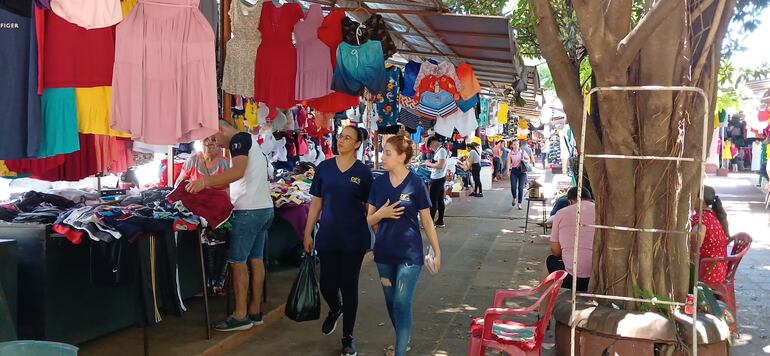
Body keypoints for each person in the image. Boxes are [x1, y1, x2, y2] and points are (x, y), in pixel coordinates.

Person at [186, 120, 274, 331]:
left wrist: (204, 182)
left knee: (237, 262)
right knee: (256, 259)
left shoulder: (239, 140)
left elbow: (238, 173)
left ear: (221, 129)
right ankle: (254, 311)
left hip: (248, 211)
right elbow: (238, 178)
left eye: (215, 137)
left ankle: (241, 315)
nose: (216, 143)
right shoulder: (251, 142)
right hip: (264, 209)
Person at [367, 135, 442, 356]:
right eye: (383, 152)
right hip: (383, 254)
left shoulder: (416, 183)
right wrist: (382, 214)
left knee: (401, 300)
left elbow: (427, 221)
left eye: (387, 153)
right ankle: (403, 338)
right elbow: (369, 220)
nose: (382, 157)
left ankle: (400, 351)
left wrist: (437, 251)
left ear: (402, 157)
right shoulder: (378, 183)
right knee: (392, 302)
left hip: (410, 254)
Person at [302, 126, 373, 356]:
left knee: (348, 285)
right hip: (328, 236)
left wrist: (381, 235)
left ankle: (348, 337)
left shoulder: (363, 172)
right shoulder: (324, 168)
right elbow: (316, 203)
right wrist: (307, 232)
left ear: (357, 144)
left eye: (347, 138)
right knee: (327, 285)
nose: (341, 140)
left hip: (354, 237)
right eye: (340, 136)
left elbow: (369, 208)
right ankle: (335, 308)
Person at [545, 187, 595, 291]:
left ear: (570, 201)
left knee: (549, 261)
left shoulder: (561, 213)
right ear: (590, 199)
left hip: (572, 278)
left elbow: (556, 251)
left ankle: (544, 305)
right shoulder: (602, 212)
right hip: (599, 277)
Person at [690, 186, 729, 284]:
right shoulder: (713, 215)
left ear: (700, 200)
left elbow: (696, 244)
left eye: (692, 196)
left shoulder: (701, 219)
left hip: (707, 271)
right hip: (718, 269)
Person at [422, 136, 448, 228]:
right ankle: (440, 220)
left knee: (432, 200)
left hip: (437, 178)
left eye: (430, 147)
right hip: (439, 177)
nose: (431, 149)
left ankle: (430, 222)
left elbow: (440, 165)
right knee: (440, 200)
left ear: (433, 143)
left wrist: (428, 163)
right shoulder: (441, 150)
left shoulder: (441, 151)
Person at [508, 141, 533, 209]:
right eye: (514, 144)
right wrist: (508, 171)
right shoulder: (510, 153)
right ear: (512, 146)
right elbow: (508, 162)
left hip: (522, 171)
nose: (515, 146)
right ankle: (514, 197)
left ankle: (519, 203)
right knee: (513, 187)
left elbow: (528, 159)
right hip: (514, 171)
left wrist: (525, 161)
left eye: (517, 144)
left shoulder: (522, 152)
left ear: (519, 145)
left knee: (520, 188)